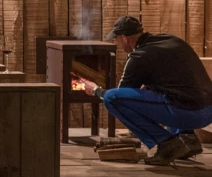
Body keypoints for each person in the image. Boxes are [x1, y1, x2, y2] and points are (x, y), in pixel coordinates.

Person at [79, 15, 212, 165]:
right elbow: (175, 78)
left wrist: (96, 90)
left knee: (111, 98)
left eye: (117, 39)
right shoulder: (172, 40)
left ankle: (167, 143)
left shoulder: (138, 56)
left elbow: (121, 98)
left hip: (188, 114)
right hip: (208, 112)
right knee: (173, 92)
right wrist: (149, 86)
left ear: (125, 38)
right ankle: (187, 139)